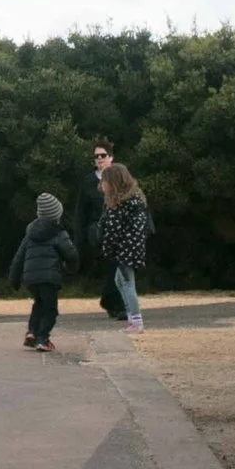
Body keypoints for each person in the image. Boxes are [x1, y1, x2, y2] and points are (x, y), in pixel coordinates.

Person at [4, 192, 78, 351]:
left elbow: (18, 257)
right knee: (50, 309)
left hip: (31, 278)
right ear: (56, 214)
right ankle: (42, 339)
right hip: (50, 278)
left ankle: (32, 332)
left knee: (38, 304)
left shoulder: (29, 234)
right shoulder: (59, 233)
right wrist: (70, 269)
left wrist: (14, 279)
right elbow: (71, 254)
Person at [98, 158, 152, 332]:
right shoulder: (136, 202)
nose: (102, 185)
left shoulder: (118, 206)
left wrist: (108, 249)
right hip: (133, 249)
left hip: (124, 251)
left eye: (104, 181)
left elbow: (112, 233)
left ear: (112, 183)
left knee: (127, 283)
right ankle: (132, 319)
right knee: (120, 281)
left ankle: (136, 320)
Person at [75, 139, 124, 322]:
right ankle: (113, 302)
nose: (99, 159)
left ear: (111, 157)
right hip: (98, 232)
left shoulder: (120, 178)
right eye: (96, 156)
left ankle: (113, 303)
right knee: (110, 266)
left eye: (103, 155)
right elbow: (81, 211)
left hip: (118, 230)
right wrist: (80, 237)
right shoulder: (88, 182)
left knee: (117, 266)